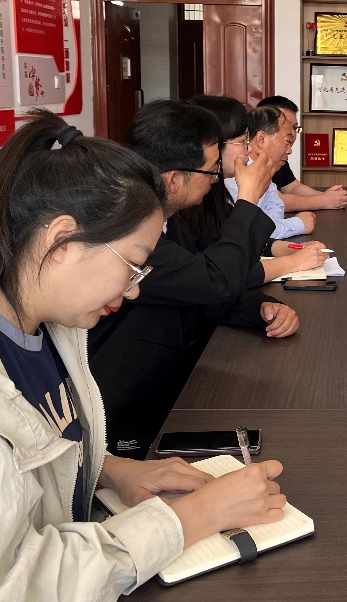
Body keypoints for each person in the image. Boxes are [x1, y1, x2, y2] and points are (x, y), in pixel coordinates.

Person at [0, 110, 286, 602]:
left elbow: (32, 448)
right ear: (60, 241)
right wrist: (189, 519)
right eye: (132, 264)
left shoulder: (40, 323)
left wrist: (110, 470)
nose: (134, 289)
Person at [89, 100, 300, 458]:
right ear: (173, 180)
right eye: (210, 170)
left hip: (165, 382)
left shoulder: (167, 219)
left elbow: (199, 281)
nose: (216, 178)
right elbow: (212, 281)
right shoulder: (129, 233)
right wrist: (249, 199)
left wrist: (263, 308)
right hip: (123, 409)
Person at [185, 95, 328, 283]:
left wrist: (286, 249)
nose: (248, 150)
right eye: (243, 141)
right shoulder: (191, 201)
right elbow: (221, 273)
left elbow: (229, 241)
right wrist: (293, 262)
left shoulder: (216, 187)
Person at [225, 105, 316, 240]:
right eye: (287, 142)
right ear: (261, 139)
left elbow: (277, 207)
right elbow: (247, 230)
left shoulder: (264, 170)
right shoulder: (234, 174)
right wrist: (297, 224)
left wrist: (266, 224)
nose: (289, 150)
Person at [258, 95, 347, 212]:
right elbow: (276, 202)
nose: (292, 133)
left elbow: (292, 187)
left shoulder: (279, 156)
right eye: (287, 126)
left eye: (294, 127)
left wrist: (327, 196)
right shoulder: (251, 160)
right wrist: (323, 200)